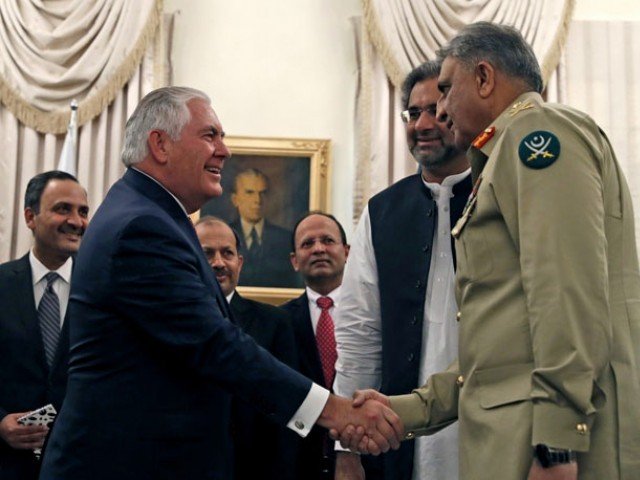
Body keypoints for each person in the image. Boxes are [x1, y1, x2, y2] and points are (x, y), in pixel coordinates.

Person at [38, 86, 402, 480]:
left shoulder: (147, 213)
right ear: (160, 144)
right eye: (210, 135)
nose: (224, 150)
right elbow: (214, 345)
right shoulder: (141, 227)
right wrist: (334, 411)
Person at [341, 22, 640, 480]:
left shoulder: (537, 135)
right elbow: (496, 352)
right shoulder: (501, 154)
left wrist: (557, 445)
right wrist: (406, 408)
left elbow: (565, 294)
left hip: (540, 452)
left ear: (484, 78)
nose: (439, 110)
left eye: (445, 90)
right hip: (510, 442)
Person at [333, 60, 471, 480]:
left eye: (437, 111)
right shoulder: (383, 212)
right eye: (414, 113)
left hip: (489, 425)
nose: (424, 124)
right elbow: (359, 333)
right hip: (400, 435)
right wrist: (346, 445)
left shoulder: (502, 198)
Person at [194, 215, 299, 480]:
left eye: (227, 253)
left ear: (239, 263)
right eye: (207, 253)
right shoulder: (168, 321)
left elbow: (286, 410)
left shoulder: (275, 323)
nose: (218, 263)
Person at [0, 171, 89, 480]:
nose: (76, 221)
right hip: (8, 464)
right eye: (63, 208)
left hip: (80, 463)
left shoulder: (102, 292)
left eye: (83, 211)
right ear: (29, 216)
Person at [281, 211, 350, 480]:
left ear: (347, 251)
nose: (319, 248)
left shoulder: (374, 316)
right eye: (308, 243)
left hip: (365, 460)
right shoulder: (277, 323)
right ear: (294, 260)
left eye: (328, 240)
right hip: (297, 464)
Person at [229, 168, 301, 288]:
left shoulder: (286, 239)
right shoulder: (225, 236)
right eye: (249, 192)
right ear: (235, 199)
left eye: (263, 193)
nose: (258, 200)